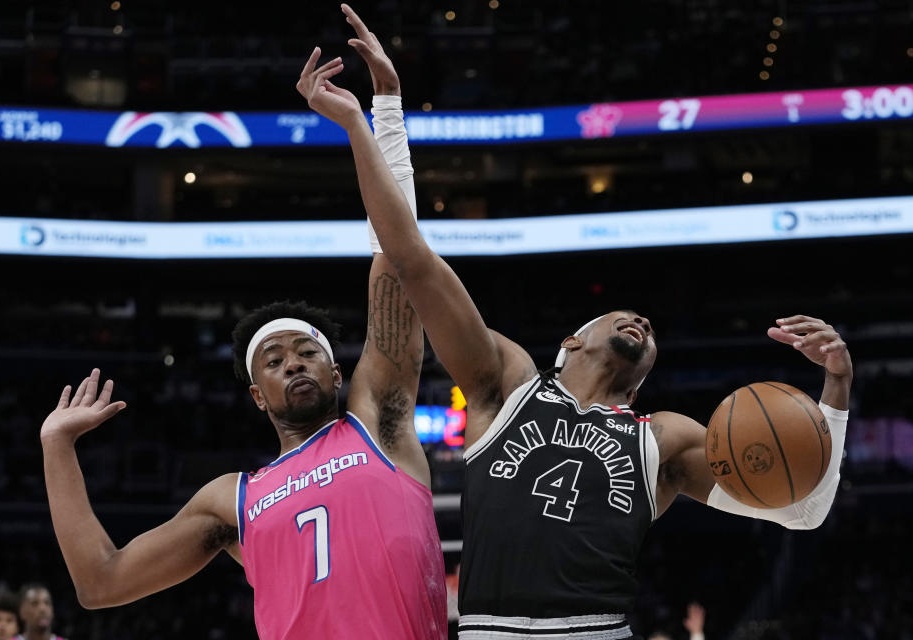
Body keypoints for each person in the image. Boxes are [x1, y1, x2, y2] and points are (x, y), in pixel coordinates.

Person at [297, 7, 852, 638]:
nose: (639, 317)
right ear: (570, 341)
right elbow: (408, 258)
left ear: (642, 378)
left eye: (647, 325)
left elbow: (803, 513)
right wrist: (380, 113)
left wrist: (835, 388)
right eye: (621, 313)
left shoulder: (663, 438)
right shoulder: (505, 384)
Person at [38, 42, 447, 636]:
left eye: (309, 354)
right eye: (275, 362)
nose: (295, 365)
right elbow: (102, 582)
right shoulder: (232, 500)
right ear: (258, 395)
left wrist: (379, 115)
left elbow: (400, 257)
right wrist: (56, 448)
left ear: (339, 375)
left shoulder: (376, 422)